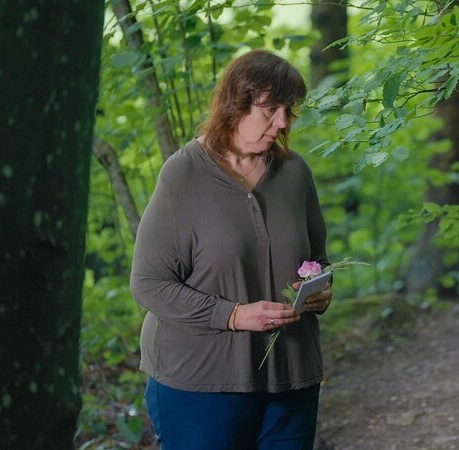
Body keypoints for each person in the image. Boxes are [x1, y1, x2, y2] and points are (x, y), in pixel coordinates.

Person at [130, 49, 332, 450]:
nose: (281, 123)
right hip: (201, 383)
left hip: (291, 379)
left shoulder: (294, 173)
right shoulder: (182, 175)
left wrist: (322, 289)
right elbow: (148, 284)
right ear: (234, 105)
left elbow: (318, 259)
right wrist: (234, 315)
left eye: (287, 111)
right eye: (270, 109)